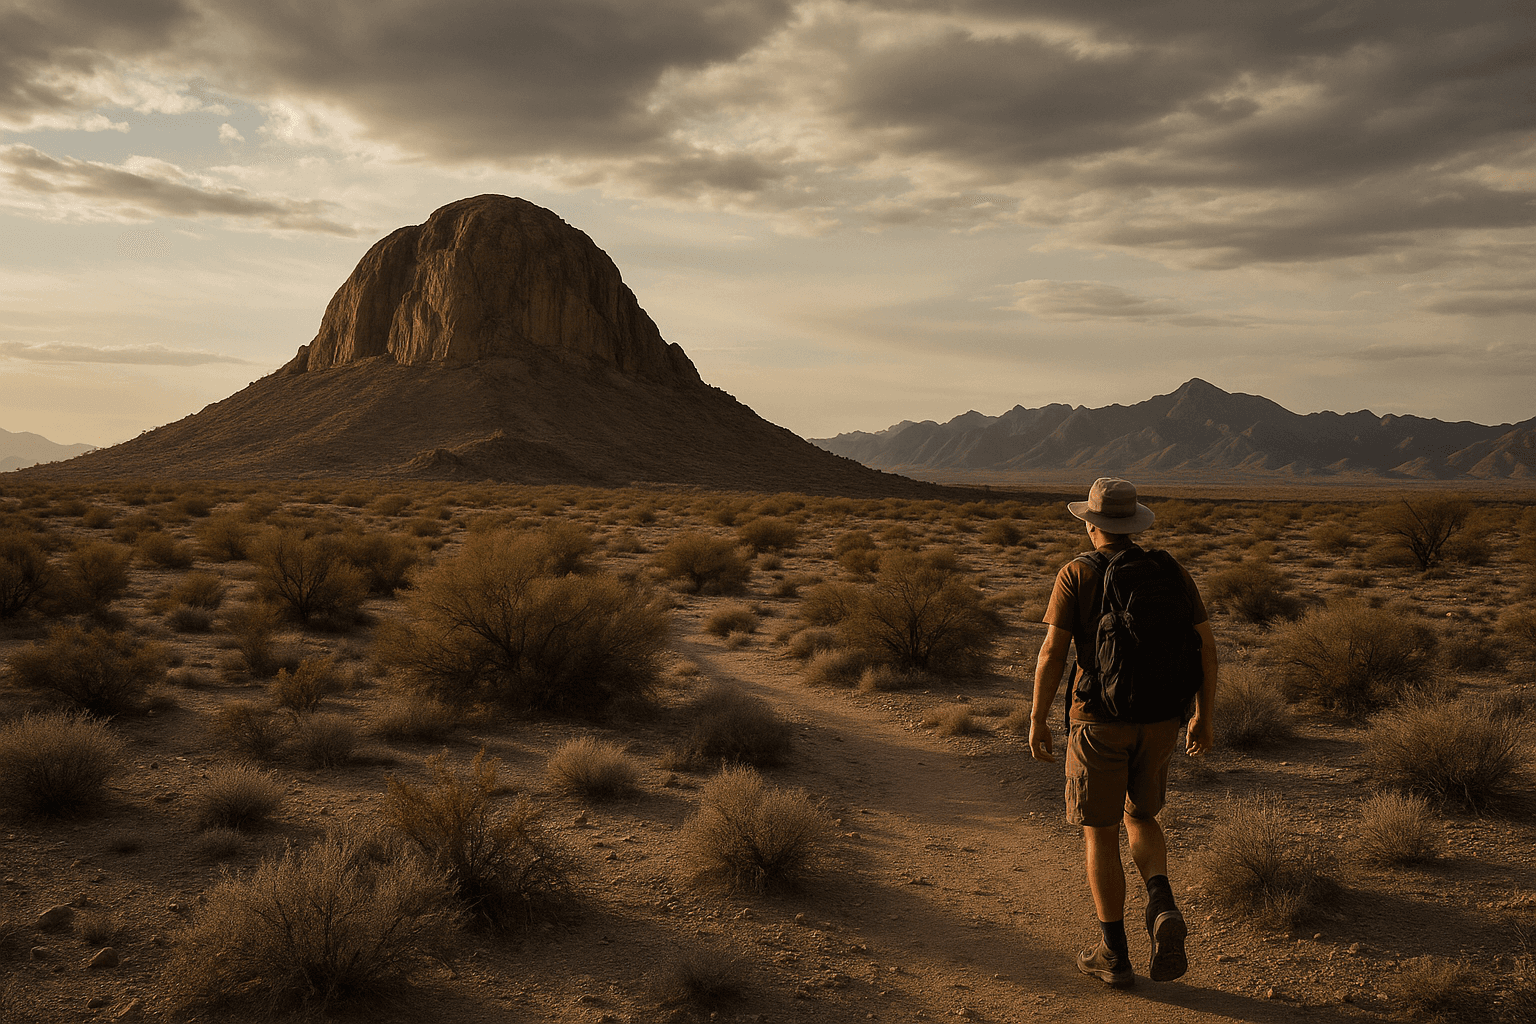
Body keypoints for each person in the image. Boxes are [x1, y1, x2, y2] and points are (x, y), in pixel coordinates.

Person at [1029, 477, 1217, 988]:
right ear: (1134, 524)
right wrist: (1203, 714)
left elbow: (1052, 652)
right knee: (1142, 814)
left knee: (1100, 831)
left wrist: (1038, 717)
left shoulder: (1077, 573)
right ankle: (1160, 899)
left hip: (1098, 721)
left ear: (1091, 524)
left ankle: (1114, 954)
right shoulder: (1170, 571)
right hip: (1161, 719)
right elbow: (1206, 648)